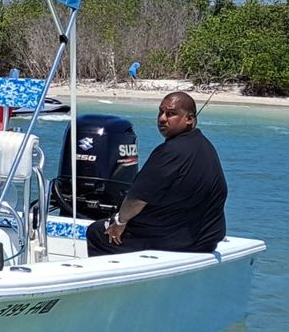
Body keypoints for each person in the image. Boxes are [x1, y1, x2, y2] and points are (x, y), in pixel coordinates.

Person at [88, 91, 227, 255]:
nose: (162, 118)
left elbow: (137, 199)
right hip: (207, 239)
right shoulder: (205, 146)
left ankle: (117, 280)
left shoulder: (169, 152)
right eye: (161, 112)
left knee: (97, 232)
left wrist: (119, 221)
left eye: (171, 114)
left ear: (189, 119)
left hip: (175, 240)